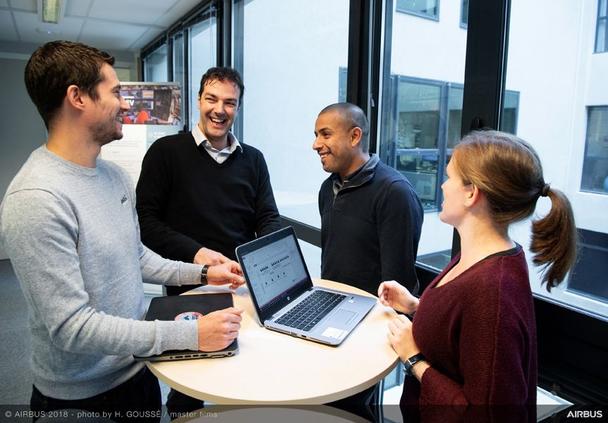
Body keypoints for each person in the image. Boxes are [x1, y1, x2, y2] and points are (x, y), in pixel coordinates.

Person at [0, 41, 245, 422]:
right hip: (80, 398)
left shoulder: (112, 175)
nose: (127, 103)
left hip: (137, 370)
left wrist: (201, 273)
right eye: (116, 92)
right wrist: (190, 335)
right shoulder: (36, 198)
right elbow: (72, 328)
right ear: (77, 97)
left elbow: (137, 256)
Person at [379, 130, 577, 415]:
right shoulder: (483, 256)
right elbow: (466, 335)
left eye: (450, 177)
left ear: (472, 193)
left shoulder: (492, 291)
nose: (443, 186)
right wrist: (417, 306)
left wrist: (414, 360)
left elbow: (486, 415)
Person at [135, 66, 281, 412]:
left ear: (238, 108)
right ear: (198, 101)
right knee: (190, 383)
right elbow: (145, 221)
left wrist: (258, 260)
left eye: (229, 102)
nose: (219, 109)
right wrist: (198, 255)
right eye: (212, 99)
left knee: (247, 372)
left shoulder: (254, 160)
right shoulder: (165, 153)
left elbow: (268, 218)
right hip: (189, 288)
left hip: (242, 288)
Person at [313, 102, 423, 295]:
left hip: (374, 317)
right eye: (316, 136)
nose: (316, 145)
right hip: (332, 303)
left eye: (326, 134)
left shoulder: (394, 193)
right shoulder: (327, 188)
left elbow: (400, 283)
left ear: (355, 136)